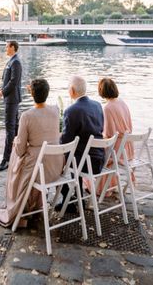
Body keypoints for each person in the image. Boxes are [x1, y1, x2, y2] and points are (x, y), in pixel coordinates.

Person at [0, 78, 63, 227]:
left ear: (32, 94)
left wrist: (16, 141)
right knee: (25, 155)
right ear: (47, 93)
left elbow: (21, 149)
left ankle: (20, 207)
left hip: (39, 169)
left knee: (16, 156)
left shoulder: (27, 115)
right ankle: (35, 204)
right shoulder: (56, 110)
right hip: (56, 167)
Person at [59, 75, 104, 212]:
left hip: (84, 163)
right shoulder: (97, 105)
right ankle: (76, 197)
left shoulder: (71, 111)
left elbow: (65, 142)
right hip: (100, 159)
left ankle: (71, 198)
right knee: (76, 153)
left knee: (58, 159)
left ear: (72, 91)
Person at [96, 76, 134, 195]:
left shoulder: (107, 108)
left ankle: (102, 189)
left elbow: (109, 134)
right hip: (128, 147)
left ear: (101, 91)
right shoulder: (122, 102)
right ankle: (109, 184)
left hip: (118, 150)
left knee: (96, 153)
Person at [0, 40, 22, 172]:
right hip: (10, 98)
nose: (5, 48)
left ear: (12, 47)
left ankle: (6, 159)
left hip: (12, 99)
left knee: (9, 128)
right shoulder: (11, 60)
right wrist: (1, 89)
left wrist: (3, 91)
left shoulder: (15, 61)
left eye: (7, 47)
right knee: (15, 127)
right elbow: (6, 79)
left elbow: (13, 81)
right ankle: (18, 154)